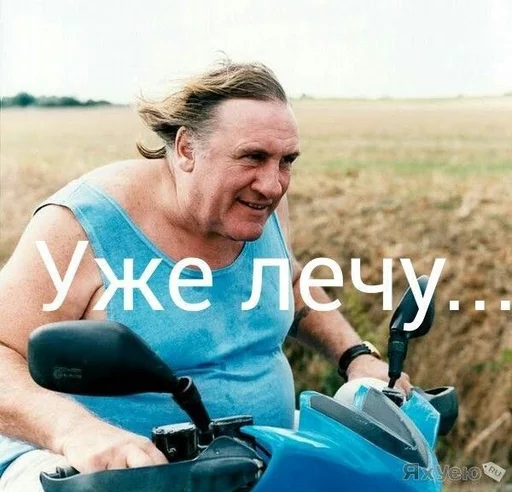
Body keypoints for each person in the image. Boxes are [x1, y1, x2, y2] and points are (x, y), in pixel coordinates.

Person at [0, 61, 411, 490]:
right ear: (186, 149)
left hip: (262, 464)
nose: (273, 185)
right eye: (252, 157)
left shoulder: (259, 206)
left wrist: (356, 357)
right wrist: (76, 434)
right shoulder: (81, 225)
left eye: (286, 161)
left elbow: (287, 282)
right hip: (96, 473)